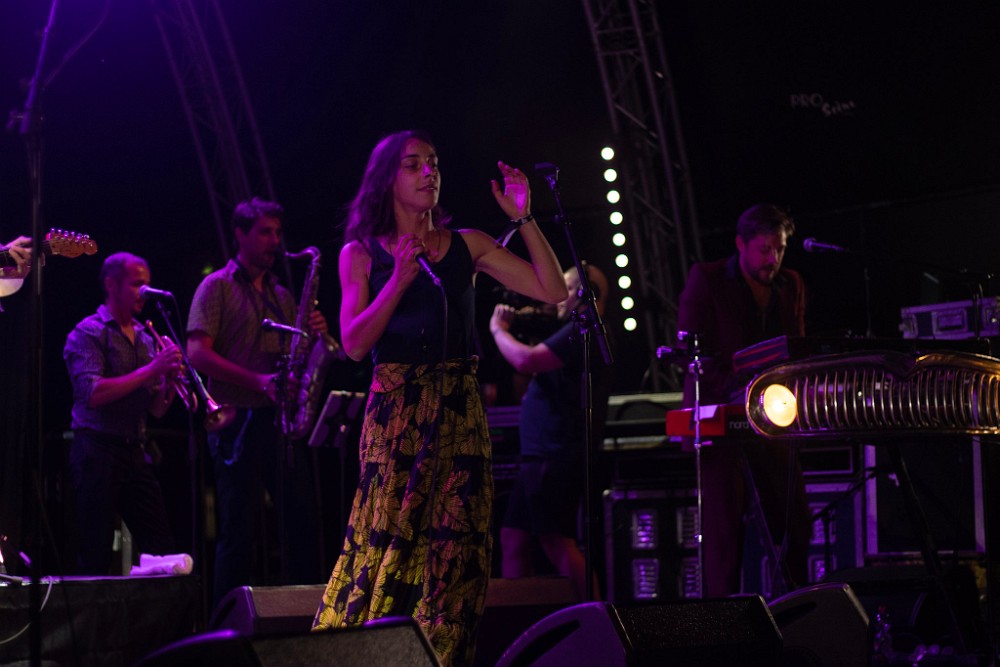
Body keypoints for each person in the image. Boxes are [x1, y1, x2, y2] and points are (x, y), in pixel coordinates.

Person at [312, 130, 566, 666]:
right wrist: (399, 281)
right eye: (413, 165)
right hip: (397, 417)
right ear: (387, 180)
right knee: (388, 538)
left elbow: (553, 290)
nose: (429, 172)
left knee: (455, 547)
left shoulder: (467, 244)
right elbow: (354, 343)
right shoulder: (360, 253)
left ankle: (440, 658)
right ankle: (364, 655)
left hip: (457, 411)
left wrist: (525, 218)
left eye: (433, 163)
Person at [187, 197, 329, 609]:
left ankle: (302, 614)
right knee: (238, 531)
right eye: (265, 232)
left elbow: (293, 357)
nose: (275, 240)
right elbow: (196, 353)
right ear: (240, 234)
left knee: (300, 522)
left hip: (277, 420)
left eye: (278, 232)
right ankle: (227, 624)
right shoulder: (216, 286)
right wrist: (259, 382)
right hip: (236, 421)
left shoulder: (281, 295)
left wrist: (314, 336)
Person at [676, 202, 813, 598]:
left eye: (780, 249)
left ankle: (796, 611)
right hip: (723, 419)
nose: (773, 259)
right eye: (765, 249)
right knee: (723, 535)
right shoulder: (708, 278)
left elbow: (797, 349)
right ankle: (721, 623)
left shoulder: (791, 283)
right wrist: (740, 392)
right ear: (741, 245)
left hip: (773, 419)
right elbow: (691, 353)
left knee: (794, 524)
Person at [489, 262, 610, 601]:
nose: (556, 295)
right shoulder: (574, 331)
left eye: (565, 287)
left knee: (556, 541)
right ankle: (521, 617)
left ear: (583, 293)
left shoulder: (583, 330)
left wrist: (498, 330)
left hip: (553, 455)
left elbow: (527, 360)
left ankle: (595, 614)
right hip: (540, 454)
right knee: (514, 536)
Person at [63, 252, 181, 575]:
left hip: (134, 450)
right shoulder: (88, 332)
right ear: (111, 284)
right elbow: (94, 394)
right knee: (95, 553)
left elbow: (156, 409)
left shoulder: (145, 336)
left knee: (162, 549)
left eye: (147, 285)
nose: (145, 292)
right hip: (96, 450)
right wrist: (152, 370)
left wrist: (169, 382)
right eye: (136, 284)